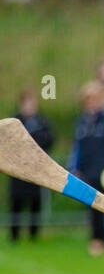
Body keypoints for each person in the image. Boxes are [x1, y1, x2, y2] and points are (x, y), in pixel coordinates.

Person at [67, 81, 104, 256]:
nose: (91, 103)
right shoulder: (82, 121)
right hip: (87, 171)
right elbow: (77, 147)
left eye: (94, 99)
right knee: (92, 206)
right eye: (88, 100)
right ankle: (96, 239)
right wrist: (74, 167)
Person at [9, 90, 54, 242]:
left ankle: (34, 234)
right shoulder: (14, 121)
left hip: (36, 168)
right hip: (17, 168)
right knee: (17, 201)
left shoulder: (41, 122)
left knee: (35, 201)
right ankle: (14, 235)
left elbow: (49, 139)